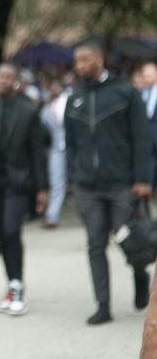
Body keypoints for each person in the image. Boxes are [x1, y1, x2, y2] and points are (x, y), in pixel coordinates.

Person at [64, 43, 152, 325]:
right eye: (76, 61)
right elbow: (71, 145)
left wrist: (142, 179)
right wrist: (73, 180)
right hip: (87, 186)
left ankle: (141, 275)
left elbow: (142, 139)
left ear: (100, 60)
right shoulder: (74, 98)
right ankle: (103, 305)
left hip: (121, 183)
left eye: (85, 59)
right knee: (95, 244)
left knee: (131, 241)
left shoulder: (125, 92)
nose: (79, 65)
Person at [0, 63, 48, 316]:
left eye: (8, 77)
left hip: (18, 183)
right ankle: (12, 283)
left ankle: (16, 287)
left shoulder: (28, 112)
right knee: (2, 234)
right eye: (0, 76)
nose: (3, 81)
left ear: (16, 82)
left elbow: (38, 154)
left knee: (12, 231)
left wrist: (43, 189)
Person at [40, 77, 69, 228]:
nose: (53, 89)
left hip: (74, 147)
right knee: (56, 181)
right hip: (56, 148)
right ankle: (52, 216)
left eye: (56, 85)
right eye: (50, 86)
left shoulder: (71, 100)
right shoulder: (46, 108)